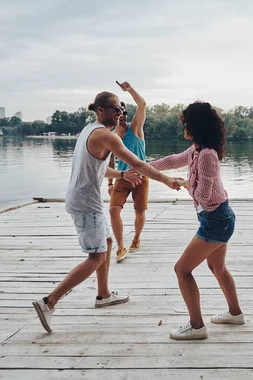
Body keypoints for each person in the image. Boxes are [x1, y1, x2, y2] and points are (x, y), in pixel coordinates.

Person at [32, 91, 180, 333]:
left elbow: (97, 169)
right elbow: (139, 164)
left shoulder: (90, 131)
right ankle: (49, 302)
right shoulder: (105, 135)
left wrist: (120, 175)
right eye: (115, 109)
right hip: (85, 203)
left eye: (122, 109)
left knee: (108, 243)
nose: (120, 113)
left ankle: (103, 295)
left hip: (83, 199)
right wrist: (166, 179)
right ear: (100, 110)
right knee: (96, 256)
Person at [150, 101, 243, 340]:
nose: (183, 126)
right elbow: (172, 160)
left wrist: (182, 183)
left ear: (195, 126)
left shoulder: (207, 156)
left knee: (182, 270)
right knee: (217, 268)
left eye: (185, 123)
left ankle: (197, 326)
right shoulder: (195, 150)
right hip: (217, 217)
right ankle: (235, 314)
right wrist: (143, 168)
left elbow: (203, 195)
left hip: (216, 219)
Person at [108, 81, 149, 262]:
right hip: (122, 177)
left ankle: (136, 238)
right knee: (113, 210)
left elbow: (142, 105)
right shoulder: (111, 135)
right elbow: (108, 158)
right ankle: (120, 246)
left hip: (140, 177)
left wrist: (130, 89)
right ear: (114, 115)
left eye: (124, 112)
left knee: (139, 211)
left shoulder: (136, 128)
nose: (121, 115)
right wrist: (109, 182)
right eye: (118, 112)